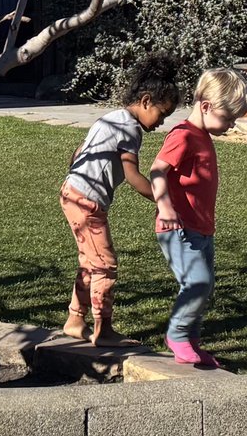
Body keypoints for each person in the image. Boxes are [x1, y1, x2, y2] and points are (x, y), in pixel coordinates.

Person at [59, 55, 181, 345]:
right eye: (162, 114)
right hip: (87, 202)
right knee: (105, 265)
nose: (162, 122)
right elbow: (133, 176)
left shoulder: (110, 118)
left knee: (90, 261)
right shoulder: (130, 129)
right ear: (146, 101)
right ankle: (103, 330)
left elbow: (77, 153)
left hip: (70, 192)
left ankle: (75, 320)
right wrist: (164, 202)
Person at [149, 65, 247, 370]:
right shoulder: (183, 136)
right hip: (178, 228)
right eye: (228, 119)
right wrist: (165, 207)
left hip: (201, 228)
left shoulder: (202, 135)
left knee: (204, 286)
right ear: (206, 106)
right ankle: (177, 335)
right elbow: (157, 170)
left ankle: (191, 342)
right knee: (197, 282)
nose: (231, 126)